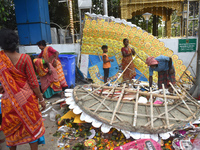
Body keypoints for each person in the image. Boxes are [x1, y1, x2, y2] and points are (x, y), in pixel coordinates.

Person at [0, 29, 46, 150]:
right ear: (16, 42)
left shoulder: (1, 60)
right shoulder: (25, 58)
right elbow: (33, 82)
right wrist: (41, 99)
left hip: (9, 102)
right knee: (31, 129)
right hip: (27, 101)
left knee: (12, 133)